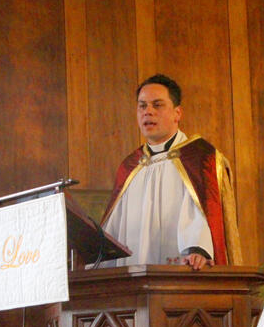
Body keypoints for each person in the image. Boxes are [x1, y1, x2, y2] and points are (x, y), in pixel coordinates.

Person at [100, 74, 241, 270]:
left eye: (157, 105)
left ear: (177, 113)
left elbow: (204, 215)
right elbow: (112, 229)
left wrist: (198, 251)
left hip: (180, 276)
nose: (148, 112)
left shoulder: (199, 158)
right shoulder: (130, 167)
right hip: (134, 280)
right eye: (142, 106)